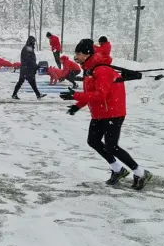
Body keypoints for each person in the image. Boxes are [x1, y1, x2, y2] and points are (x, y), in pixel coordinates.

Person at [60, 39, 152, 190]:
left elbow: (100, 95)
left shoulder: (101, 70)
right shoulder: (90, 70)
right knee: (93, 141)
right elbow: (90, 94)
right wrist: (77, 106)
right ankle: (118, 169)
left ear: (87, 54)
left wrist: (75, 96)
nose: (76, 57)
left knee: (112, 146)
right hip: (100, 113)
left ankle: (140, 172)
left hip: (113, 113)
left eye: (78, 53)